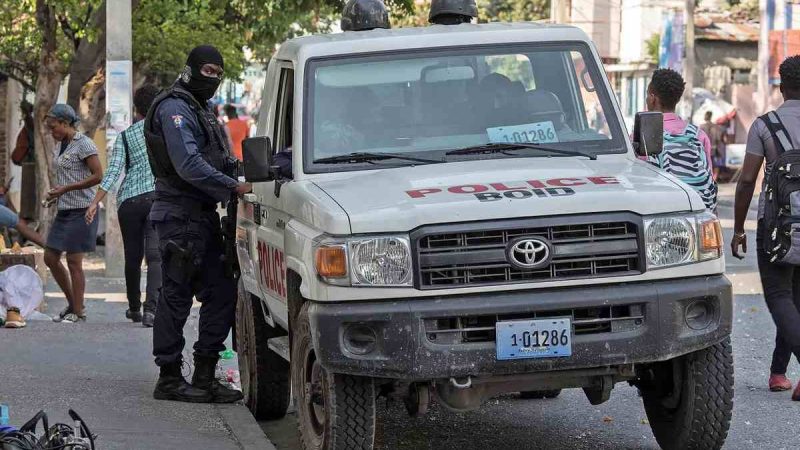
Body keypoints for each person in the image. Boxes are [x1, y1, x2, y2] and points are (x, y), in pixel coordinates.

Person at [144, 45, 251, 403]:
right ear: (189, 69)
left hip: (201, 217)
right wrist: (232, 185)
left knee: (221, 292)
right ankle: (170, 377)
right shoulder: (175, 107)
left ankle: (204, 376)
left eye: (219, 74)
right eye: (208, 71)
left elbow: (219, 159)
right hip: (179, 216)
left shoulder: (199, 109)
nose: (215, 80)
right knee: (175, 297)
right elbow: (188, 164)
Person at [731, 55, 800, 402]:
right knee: (796, 300)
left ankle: (782, 372)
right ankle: (778, 373)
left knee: (779, 296)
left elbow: (745, 181)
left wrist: (739, 228)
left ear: (781, 86)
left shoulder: (764, 126)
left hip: (776, 227)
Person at [85, 85, 161, 327]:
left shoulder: (125, 137)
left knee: (133, 256)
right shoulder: (164, 133)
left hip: (129, 201)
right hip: (156, 198)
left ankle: (134, 308)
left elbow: (113, 172)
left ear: (136, 109)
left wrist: (95, 202)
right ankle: (151, 310)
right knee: (155, 257)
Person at [43, 104, 103, 324]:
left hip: (83, 209)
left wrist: (66, 189)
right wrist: (56, 194)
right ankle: (73, 303)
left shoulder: (84, 143)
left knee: (74, 261)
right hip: (65, 209)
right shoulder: (61, 145)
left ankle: (78, 312)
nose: (52, 131)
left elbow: (98, 176)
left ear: (65, 123)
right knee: (50, 257)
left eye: (54, 127)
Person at [645, 68, 717, 211]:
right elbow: (708, 183)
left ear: (653, 98)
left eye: (647, 94)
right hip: (695, 214)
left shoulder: (641, 135)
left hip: (659, 217)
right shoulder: (698, 135)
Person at [699, 110, 725, 180]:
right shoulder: (716, 127)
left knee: (706, 165)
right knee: (716, 166)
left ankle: (707, 180)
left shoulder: (701, 127)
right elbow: (720, 139)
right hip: (715, 149)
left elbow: (698, 139)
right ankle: (714, 180)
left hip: (704, 150)